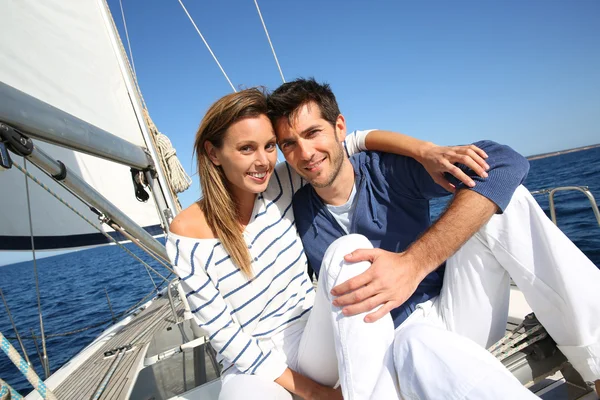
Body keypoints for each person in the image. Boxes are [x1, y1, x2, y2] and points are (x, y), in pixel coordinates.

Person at [268, 78, 600, 399]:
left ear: (340, 128)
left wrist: (413, 264)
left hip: (454, 311)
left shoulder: (386, 171)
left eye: (314, 133)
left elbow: (504, 162)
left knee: (505, 201)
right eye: (290, 144)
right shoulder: (293, 210)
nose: (306, 152)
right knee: (415, 341)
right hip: (388, 350)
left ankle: (597, 366)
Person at [165, 88, 490, 399]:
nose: (263, 160)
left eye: (269, 146)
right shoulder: (187, 234)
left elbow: (347, 143)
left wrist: (425, 150)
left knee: (346, 251)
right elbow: (224, 336)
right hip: (249, 362)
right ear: (213, 153)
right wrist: (316, 394)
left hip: (312, 338)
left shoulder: (279, 182)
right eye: (246, 148)